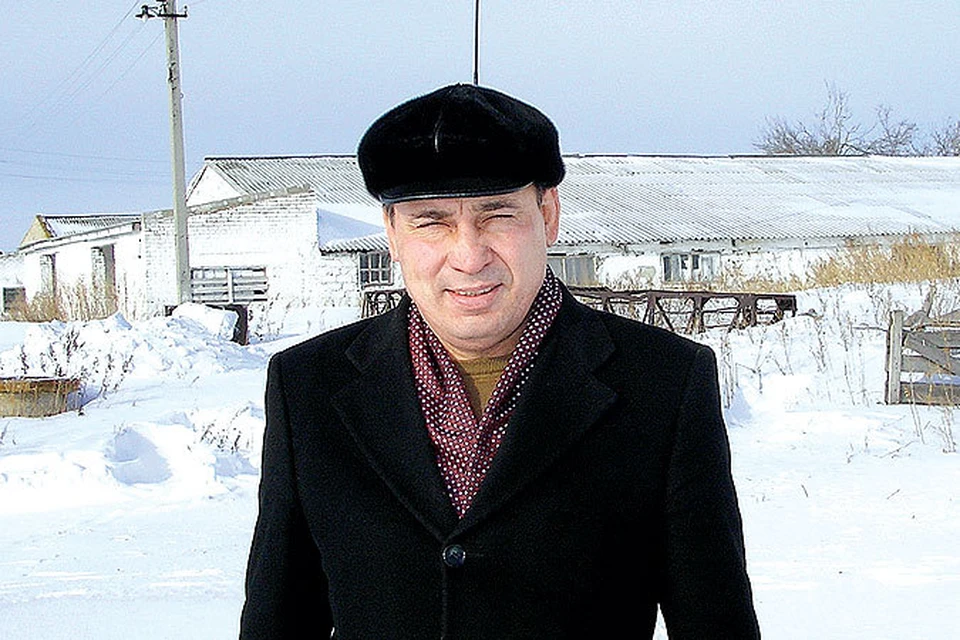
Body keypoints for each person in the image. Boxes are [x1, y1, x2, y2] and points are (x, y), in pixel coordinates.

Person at [240, 84, 760, 639]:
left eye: (497, 216)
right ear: (391, 231)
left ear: (548, 214)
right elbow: (278, 620)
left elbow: (716, 623)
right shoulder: (310, 388)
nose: (468, 256)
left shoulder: (662, 384)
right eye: (431, 221)